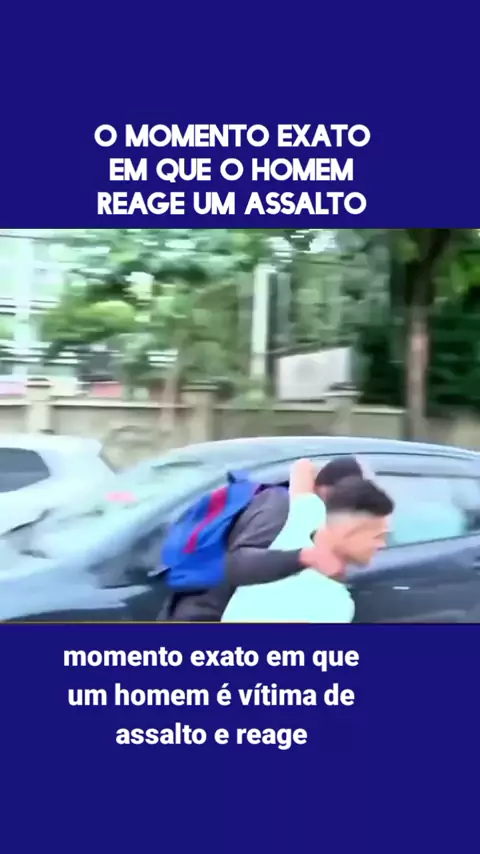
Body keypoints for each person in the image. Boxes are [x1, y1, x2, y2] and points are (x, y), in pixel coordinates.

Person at [163, 455, 368, 622]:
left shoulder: (293, 505)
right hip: (206, 611)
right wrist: (304, 558)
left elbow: (303, 467)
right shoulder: (283, 507)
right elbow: (240, 562)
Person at [222, 469, 393, 622]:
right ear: (348, 531)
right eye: (377, 536)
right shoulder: (332, 604)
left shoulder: (305, 517)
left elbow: (302, 471)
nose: (382, 545)